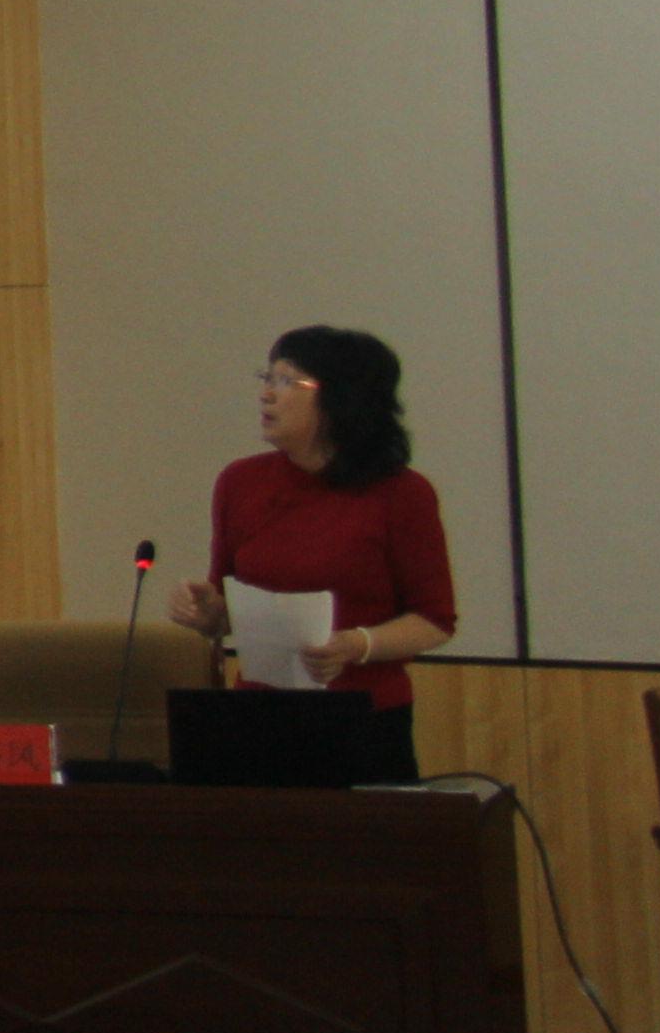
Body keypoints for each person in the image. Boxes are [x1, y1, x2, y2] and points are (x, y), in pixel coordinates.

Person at [164, 325, 453, 782]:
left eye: (286, 381)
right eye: (266, 378)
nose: (266, 394)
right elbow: (226, 606)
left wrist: (356, 644)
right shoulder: (240, 482)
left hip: (364, 718)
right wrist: (205, 611)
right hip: (257, 714)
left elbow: (434, 620)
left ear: (342, 397)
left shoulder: (401, 493)